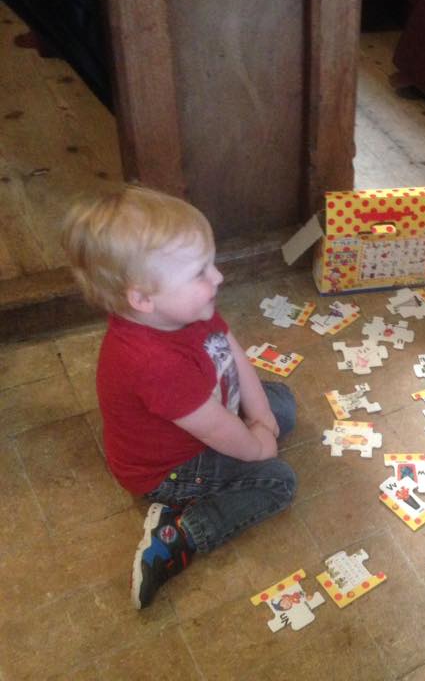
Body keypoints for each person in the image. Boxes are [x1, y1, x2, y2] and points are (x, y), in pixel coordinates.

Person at [62, 186, 298, 609]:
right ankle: (180, 534)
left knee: (279, 402)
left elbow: (230, 346)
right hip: (169, 469)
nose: (218, 277)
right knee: (277, 481)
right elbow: (218, 429)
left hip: (202, 418)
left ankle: (246, 443)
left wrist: (260, 414)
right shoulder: (152, 362)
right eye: (200, 272)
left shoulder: (186, 309)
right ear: (142, 298)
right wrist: (257, 444)